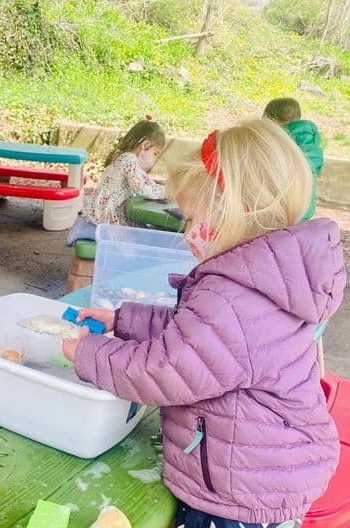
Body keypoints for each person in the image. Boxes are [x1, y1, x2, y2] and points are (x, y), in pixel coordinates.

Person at [63, 119, 345, 526]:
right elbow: (195, 337)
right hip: (266, 470)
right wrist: (123, 320)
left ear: (239, 214)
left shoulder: (234, 296)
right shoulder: (265, 276)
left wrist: (87, 352)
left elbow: (167, 369)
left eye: (195, 219)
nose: (190, 233)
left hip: (238, 495)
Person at [67, 119, 167, 245]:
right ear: (145, 145)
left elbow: (146, 181)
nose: (154, 158)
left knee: (139, 231)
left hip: (112, 208)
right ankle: (84, 231)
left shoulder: (127, 157)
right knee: (130, 242)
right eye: (155, 153)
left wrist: (163, 190)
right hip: (109, 211)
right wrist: (163, 194)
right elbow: (141, 188)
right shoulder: (129, 160)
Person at [264, 97, 324, 221]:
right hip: (305, 207)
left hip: (280, 210)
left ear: (271, 119)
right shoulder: (311, 142)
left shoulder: (277, 140)